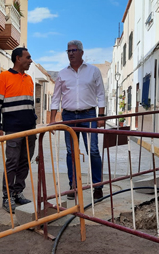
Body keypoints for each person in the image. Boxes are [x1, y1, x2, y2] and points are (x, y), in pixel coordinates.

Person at [50, 40, 106, 201]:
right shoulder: (62, 74)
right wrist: (53, 119)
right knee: (71, 152)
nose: (71, 53)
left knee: (93, 150)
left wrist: (101, 117)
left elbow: (101, 94)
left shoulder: (93, 71)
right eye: (68, 51)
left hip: (89, 115)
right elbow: (55, 98)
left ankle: (97, 187)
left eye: (74, 50)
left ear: (81, 52)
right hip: (68, 116)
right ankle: (73, 186)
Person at [0, 47, 37, 213]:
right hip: (12, 130)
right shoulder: (4, 77)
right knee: (12, 163)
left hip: (29, 130)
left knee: (25, 162)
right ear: (18, 58)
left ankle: (18, 192)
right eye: (28, 57)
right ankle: (7, 197)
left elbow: (30, 106)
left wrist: (34, 123)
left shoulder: (30, 79)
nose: (30, 60)